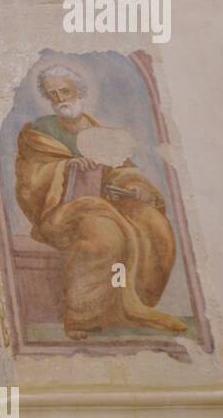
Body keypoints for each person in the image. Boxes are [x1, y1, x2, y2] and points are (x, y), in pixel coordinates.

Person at [15, 63, 186, 339]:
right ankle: (83, 317)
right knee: (105, 237)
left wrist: (135, 188)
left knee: (153, 223)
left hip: (107, 203)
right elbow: (31, 180)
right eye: (53, 94)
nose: (60, 99)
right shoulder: (39, 132)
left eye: (65, 91)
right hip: (63, 211)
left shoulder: (98, 130)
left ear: (79, 92)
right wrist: (68, 168)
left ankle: (134, 304)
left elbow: (120, 169)